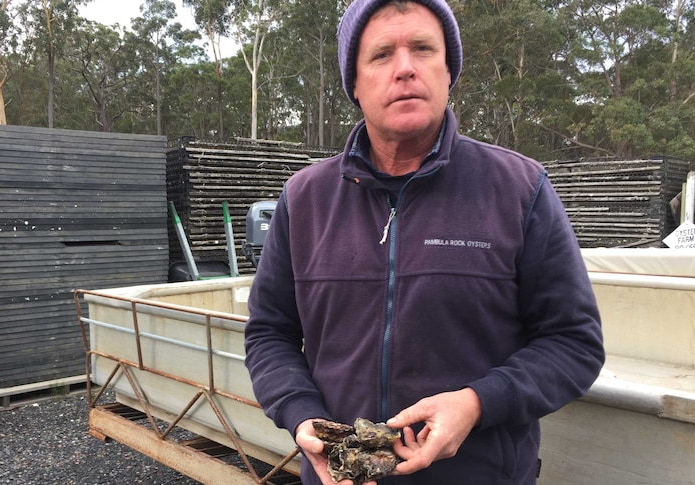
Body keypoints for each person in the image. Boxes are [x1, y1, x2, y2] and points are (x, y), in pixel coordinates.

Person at [243, 0, 605, 483]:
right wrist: (300, 413)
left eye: (423, 49)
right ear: (354, 82)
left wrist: (477, 403)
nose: (406, 68)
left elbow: (573, 342)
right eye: (381, 55)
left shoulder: (520, 188)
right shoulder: (304, 198)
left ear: (448, 70)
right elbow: (270, 333)